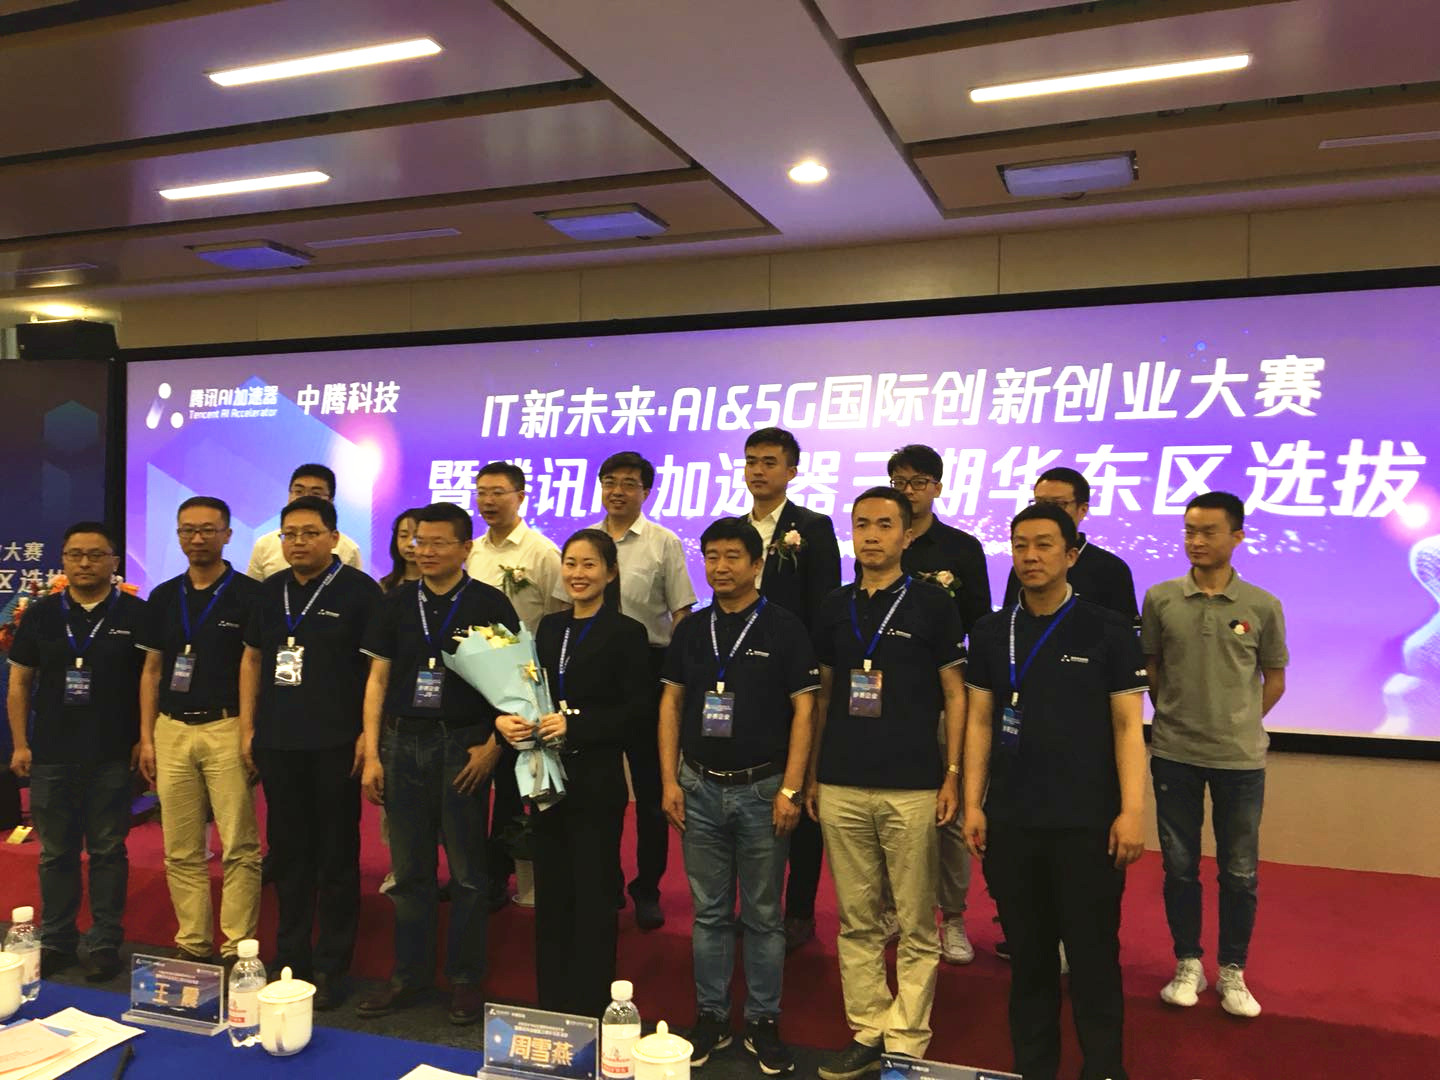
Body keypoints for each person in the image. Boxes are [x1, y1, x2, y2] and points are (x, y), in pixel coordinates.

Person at [962, 503, 1148, 1080]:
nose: (1030, 556)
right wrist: (972, 803)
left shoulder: (1107, 629)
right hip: (1013, 821)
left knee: (1093, 956)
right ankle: (1034, 1067)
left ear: (1071, 554)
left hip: (1087, 822)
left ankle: (1104, 1067)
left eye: (1044, 545)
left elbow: (1127, 726)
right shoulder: (992, 631)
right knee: (1030, 959)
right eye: (1020, 545)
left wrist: (1132, 810)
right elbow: (980, 721)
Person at [809, 487, 966, 1080]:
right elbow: (823, 696)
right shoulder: (834, 605)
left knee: (916, 923)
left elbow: (955, 695)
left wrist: (952, 774)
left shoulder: (932, 603)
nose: (871, 535)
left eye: (883, 525)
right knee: (857, 919)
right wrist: (813, 774)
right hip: (842, 780)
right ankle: (869, 1028)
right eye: (861, 524)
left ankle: (906, 1040)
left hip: (913, 783)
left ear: (907, 535)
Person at [659, 518, 818, 1075]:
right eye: (712, 556)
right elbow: (672, 703)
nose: (721, 566)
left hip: (763, 789)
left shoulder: (784, 627)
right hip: (699, 786)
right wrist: (669, 780)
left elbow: (805, 710)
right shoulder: (692, 630)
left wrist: (791, 788)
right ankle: (711, 1016)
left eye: (733, 556)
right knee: (708, 913)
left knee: (764, 915)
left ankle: (763, 1020)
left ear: (756, 564)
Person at [356, 503, 520, 1025]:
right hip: (402, 742)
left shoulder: (489, 603)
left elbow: (514, 685)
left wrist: (493, 747)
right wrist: (372, 752)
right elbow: (378, 679)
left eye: (437, 543)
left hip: (463, 745)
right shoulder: (396, 602)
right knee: (410, 871)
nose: (424, 552)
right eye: (418, 542)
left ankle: (466, 979)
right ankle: (410, 976)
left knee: (469, 874)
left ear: (465, 548)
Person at [1143, 491, 1288, 1019]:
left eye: (1207, 532)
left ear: (1237, 536)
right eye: (1189, 531)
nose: (1196, 541)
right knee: (1179, 867)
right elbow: (1153, 670)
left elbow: (1274, 680)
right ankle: (1188, 963)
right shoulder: (1161, 598)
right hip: (1174, 752)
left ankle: (1233, 970)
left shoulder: (1262, 604)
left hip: (1240, 760)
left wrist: (1238, 721)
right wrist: (1176, 714)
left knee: (1240, 871)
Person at [495, 529, 652, 1018]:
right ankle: (553, 1003)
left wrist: (577, 725)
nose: (577, 574)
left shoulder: (627, 633)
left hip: (596, 780)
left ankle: (590, 1004)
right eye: (570, 563)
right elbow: (532, 691)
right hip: (547, 777)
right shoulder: (549, 627)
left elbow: (637, 712)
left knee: (593, 893)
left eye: (589, 564)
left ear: (610, 572)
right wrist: (511, 719)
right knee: (552, 891)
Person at [238, 496, 381, 1011]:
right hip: (279, 740)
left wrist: (367, 735)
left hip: (336, 740)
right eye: (289, 534)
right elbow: (252, 659)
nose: (298, 542)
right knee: (289, 853)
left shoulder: (360, 591)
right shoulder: (269, 590)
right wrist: (248, 727)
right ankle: (291, 957)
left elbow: (377, 671)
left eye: (309, 533)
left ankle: (333, 965)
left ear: (334, 538)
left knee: (336, 854)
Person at [6, 523, 146, 982]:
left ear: (114, 562)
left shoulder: (136, 613)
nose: (85, 563)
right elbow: (20, 682)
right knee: (56, 853)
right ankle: (58, 940)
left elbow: (150, 681)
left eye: (96, 555)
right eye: (75, 555)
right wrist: (21, 743)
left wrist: (144, 739)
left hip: (112, 752)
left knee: (108, 850)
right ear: (63, 561)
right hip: (51, 752)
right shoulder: (41, 614)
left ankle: (104, 943)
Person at [136, 496, 264, 963]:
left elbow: (254, 667)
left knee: (240, 845)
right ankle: (192, 943)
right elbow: (151, 670)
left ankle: (237, 947)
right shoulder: (163, 596)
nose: (197, 538)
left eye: (208, 529)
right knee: (181, 847)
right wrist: (147, 737)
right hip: (171, 729)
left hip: (226, 725)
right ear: (178, 536)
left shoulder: (250, 595)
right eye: (188, 530)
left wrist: (248, 731)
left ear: (228, 534)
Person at [889, 443, 992, 966]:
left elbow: (981, 623)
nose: (908, 491)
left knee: (949, 813)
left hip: (946, 697)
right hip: (889, 699)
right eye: (899, 481)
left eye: (918, 482)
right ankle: (893, 909)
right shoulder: (882, 541)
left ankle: (951, 916)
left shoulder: (961, 548)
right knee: (890, 809)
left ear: (938, 487)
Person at [586, 450, 698, 931]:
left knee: (652, 787)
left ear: (646, 491)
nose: (617, 491)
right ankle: (605, 880)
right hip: (593, 669)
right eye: (609, 481)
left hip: (648, 667)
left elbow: (681, 613)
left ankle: (647, 888)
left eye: (629, 483)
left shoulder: (662, 542)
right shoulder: (587, 541)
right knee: (598, 783)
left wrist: (678, 679)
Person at [741, 427, 841, 953]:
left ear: (792, 471)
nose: (758, 471)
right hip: (742, 677)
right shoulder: (735, 530)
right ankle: (753, 906)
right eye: (751, 461)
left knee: (798, 787)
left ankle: (799, 909)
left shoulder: (813, 528)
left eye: (769, 462)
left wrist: (812, 673)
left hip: (796, 674)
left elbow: (825, 605)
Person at [465, 461, 564, 909]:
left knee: (510, 782)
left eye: (498, 492)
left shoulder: (541, 552)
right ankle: (470, 869)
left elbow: (556, 619)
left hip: (520, 682)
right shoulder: (471, 550)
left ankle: (499, 873)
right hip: (472, 679)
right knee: (470, 773)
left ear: (520, 497)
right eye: (481, 492)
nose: (488, 501)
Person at [1001, 467, 1137, 621]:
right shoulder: (1026, 565)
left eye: (1058, 504)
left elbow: (1122, 629)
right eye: (1040, 503)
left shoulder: (1111, 568)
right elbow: (1009, 621)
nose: (1047, 511)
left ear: (1082, 510)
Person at [247, 464, 364, 580]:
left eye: (316, 493)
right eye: (299, 491)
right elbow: (252, 589)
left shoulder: (349, 549)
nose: (305, 498)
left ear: (331, 500)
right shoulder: (264, 544)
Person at [378, 508, 422, 593]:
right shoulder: (385, 585)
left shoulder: (438, 585)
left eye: (417, 537)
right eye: (403, 536)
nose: (410, 544)